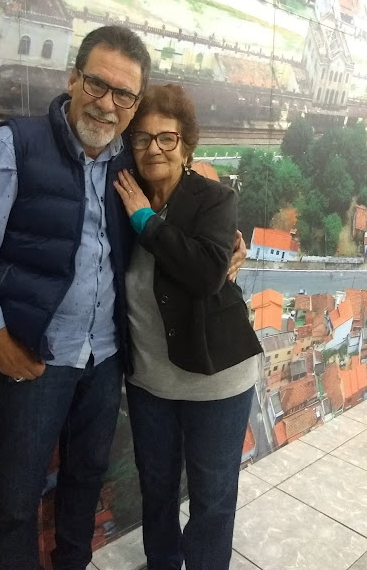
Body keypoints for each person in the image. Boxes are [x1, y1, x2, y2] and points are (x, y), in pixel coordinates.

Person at [0, 25, 246, 570]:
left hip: (105, 359)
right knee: (17, 496)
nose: (107, 104)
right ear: (73, 80)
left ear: (133, 105)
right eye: (97, 84)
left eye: (123, 94)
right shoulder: (18, 145)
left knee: (84, 481)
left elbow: (188, 184)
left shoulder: (129, 163)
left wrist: (230, 239)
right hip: (36, 356)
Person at [114, 84, 262, 570]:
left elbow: (204, 274)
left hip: (218, 379)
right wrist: (137, 213)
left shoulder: (212, 199)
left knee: (212, 497)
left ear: (186, 146)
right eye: (142, 138)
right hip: (150, 380)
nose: (153, 148)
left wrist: (146, 221)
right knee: (156, 489)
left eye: (167, 138)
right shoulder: (122, 196)